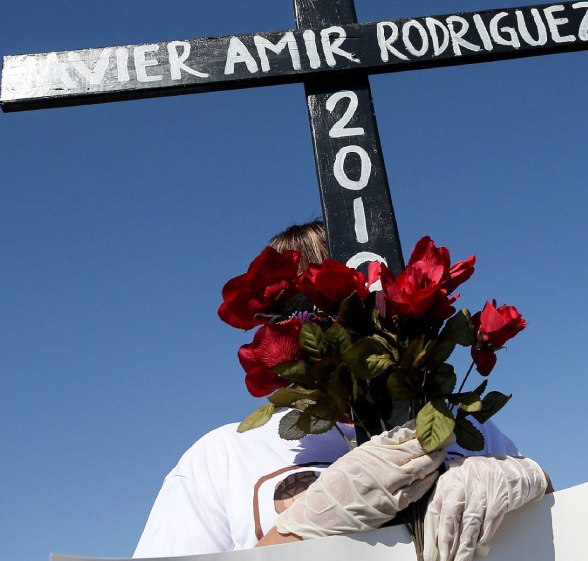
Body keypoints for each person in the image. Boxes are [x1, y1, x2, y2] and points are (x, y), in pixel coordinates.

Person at [134, 221, 549, 560]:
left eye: (346, 299)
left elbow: (559, 530)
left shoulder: (455, 426)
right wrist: (298, 533)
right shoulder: (223, 456)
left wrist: (531, 478)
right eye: (298, 308)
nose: (326, 324)